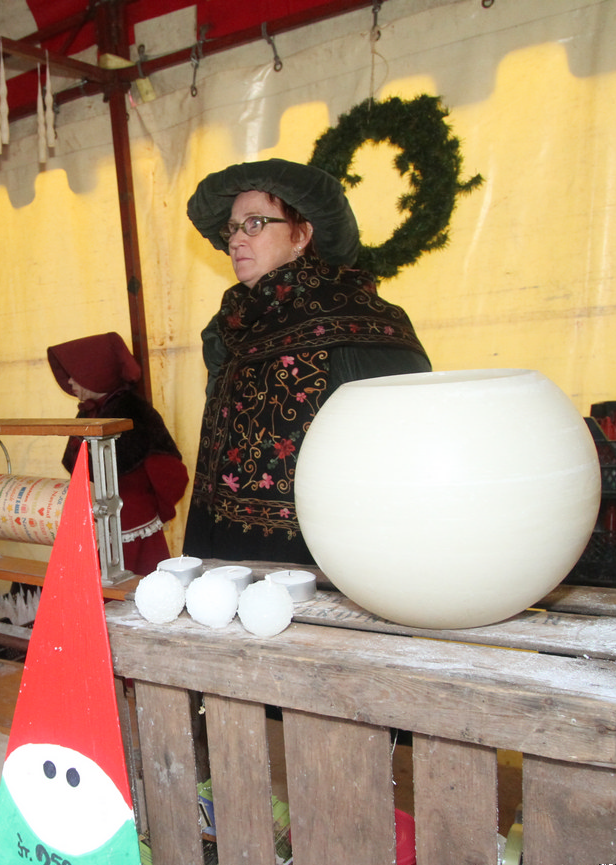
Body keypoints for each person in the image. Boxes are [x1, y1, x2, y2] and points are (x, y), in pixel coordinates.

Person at [182, 157, 431, 565]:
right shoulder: (229, 326)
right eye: (232, 227)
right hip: (227, 550)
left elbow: (398, 453)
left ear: (302, 234)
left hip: (325, 557)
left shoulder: (357, 317)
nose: (236, 240)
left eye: (255, 223)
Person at [47, 332, 189, 575]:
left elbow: (170, 474)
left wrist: (153, 511)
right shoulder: (90, 412)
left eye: (75, 374)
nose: (69, 381)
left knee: (136, 585)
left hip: (130, 527)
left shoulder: (134, 413)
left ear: (95, 373)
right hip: (98, 521)